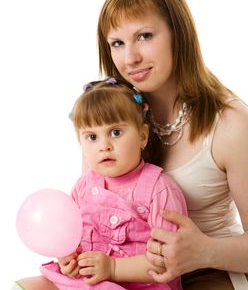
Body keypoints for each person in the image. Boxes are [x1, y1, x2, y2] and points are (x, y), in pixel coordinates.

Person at [95, 0, 248, 290]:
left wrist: (205, 251)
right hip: (127, 270)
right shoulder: (111, 121)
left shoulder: (230, 123)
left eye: (144, 36)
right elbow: (93, 200)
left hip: (210, 271)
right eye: (117, 43)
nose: (130, 58)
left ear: (178, 34)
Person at [14, 78, 187, 290]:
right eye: (92, 137)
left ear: (142, 136)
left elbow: (168, 261)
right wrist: (69, 258)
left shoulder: (158, 190)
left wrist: (113, 268)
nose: (104, 146)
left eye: (115, 132)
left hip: (137, 286)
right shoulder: (84, 187)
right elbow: (72, 237)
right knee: (24, 286)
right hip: (85, 283)